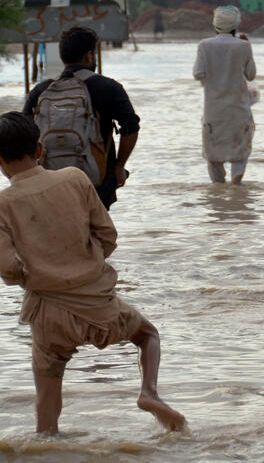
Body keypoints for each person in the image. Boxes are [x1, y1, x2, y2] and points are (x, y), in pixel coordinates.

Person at [0, 112, 185, 434]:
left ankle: (47, 448)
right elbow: (107, 235)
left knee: (47, 403)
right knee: (148, 336)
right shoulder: (73, 178)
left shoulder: (4, 203)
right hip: (99, 303)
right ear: (40, 149)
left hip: (47, 311)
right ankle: (149, 393)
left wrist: (38, 277)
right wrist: (86, 267)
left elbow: (8, 269)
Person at [23, 27, 139, 210]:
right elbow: (131, 126)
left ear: (63, 57)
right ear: (88, 56)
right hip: (97, 182)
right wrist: (119, 166)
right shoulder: (109, 87)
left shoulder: (41, 90)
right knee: (97, 235)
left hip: (50, 183)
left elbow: (23, 132)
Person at [193, 6, 257, 184]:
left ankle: (218, 193)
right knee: (239, 153)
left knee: (213, 155)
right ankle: (236, 186)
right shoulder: (243, 46)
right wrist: (247, 48)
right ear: (236, 25)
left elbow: (198, 73)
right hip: (239, 109)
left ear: (215, 25)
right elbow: (251, 75)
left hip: (214, 110)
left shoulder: (204, 45)